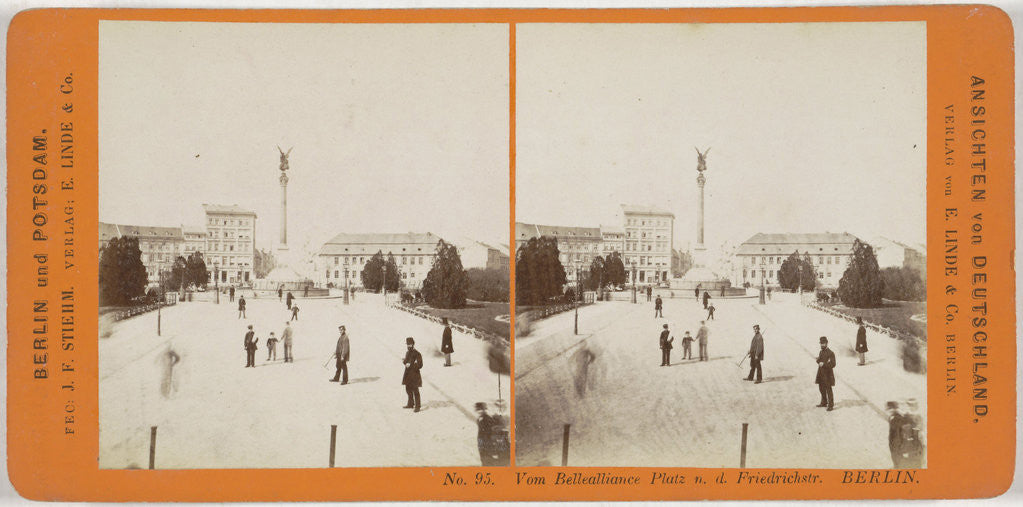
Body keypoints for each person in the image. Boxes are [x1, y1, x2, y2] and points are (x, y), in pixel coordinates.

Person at [402, 337, 423, 412]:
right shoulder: (407, 353)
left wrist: (410, 365)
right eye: (407, 345)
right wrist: (404, 361)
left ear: (413, 344)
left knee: (415, 390)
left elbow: (420, 364)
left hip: (414, 375)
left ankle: (418, 406)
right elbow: (406, 361)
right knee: (408, 389)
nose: (408, 346)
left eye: (410, 344)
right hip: (407, 374)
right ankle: (411, 404)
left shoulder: (417, 353)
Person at [815, 336, 836, 411]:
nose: (822, 345)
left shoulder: (831, 353)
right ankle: (824, 402)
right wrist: (817, 360)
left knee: (828, 389)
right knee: (821, 388)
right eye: (821, 344)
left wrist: (824, 364)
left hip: (827, 374)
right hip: (820, 373)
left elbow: (833, 364)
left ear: (827, 343)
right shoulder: (821, 351)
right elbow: (819, 360)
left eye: (823, 344)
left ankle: (831, 405)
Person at [886, 401, 906, 468]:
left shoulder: (898, 417)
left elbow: (900, 432)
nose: (889, 411)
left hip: (897, 442)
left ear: (894, 409)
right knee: (894, 456)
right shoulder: (892, 417)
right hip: (893, 442)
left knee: (898, 457)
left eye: (890, 409)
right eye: (888, 409)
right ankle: (896, 466)